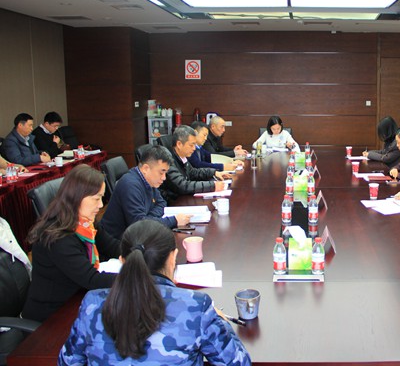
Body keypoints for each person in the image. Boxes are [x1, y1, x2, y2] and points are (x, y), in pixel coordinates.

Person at [58, 220, 251, 365]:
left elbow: (67, 362)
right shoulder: (196, 307)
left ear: (122, 261)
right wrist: (221, 322)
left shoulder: (92, 304)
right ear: (173, 258)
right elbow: (238, 362)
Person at [22, 164, 120, 322]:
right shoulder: (57, 237)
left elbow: (113, 246)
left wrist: (139, 254)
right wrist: (135, 277)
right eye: (96, 198)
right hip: (51, 317)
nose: (101, 205)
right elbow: (92, 279)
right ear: (77, 197)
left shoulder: (85, 223)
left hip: (77, 297)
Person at [100, 145, 192, 240]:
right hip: (117, 242)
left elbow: (161, 203)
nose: (164, 178)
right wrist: (174, 220)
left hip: (136, 237)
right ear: (145, 168)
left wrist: (148, 218)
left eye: (165, 173)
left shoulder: (148, 180)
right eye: (161, 172)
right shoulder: (130, 185)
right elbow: (139, 225)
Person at [161, 125, 229, 203]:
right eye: (191, 145)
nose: (194, 148)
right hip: (174, 202)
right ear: (179, 144)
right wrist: (212, 185)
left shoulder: (182, 157)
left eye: (194, 145)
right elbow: (183, 185)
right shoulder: (168, 161)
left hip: (184, 199)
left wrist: (214, 172)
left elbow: (193, 172)